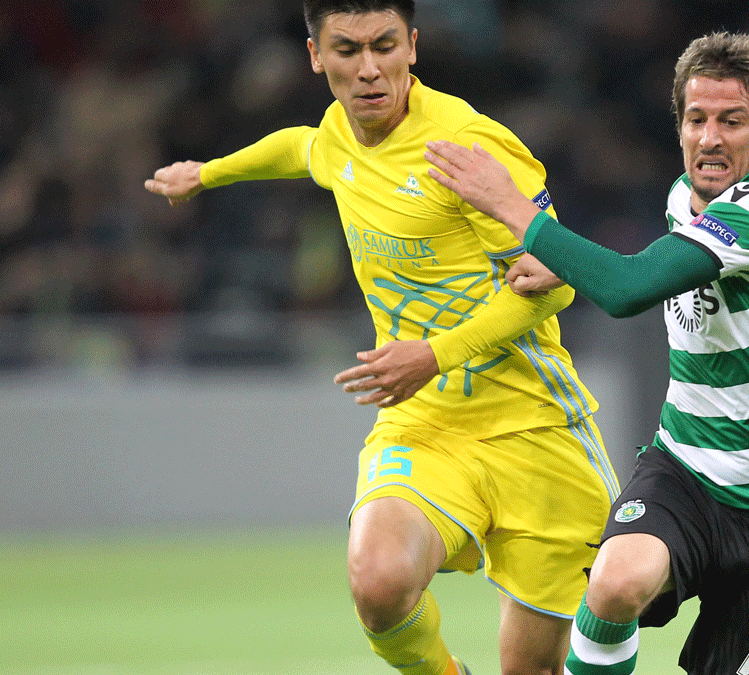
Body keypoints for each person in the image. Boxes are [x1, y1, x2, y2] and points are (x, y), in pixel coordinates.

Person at [143, 2, 620, 675]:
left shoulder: (467, 145)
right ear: (316, 56)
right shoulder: (340, 133)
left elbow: (561, 282)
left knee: (532, 669)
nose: (368, 69)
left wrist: (433, 354)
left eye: (384, 45)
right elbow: (302, 147)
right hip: (423, 425)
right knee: (377, 579)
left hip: (533, 426)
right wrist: (209, 173)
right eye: (346, 49)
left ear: (412, 47)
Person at [425, 29, 749, 675]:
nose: (710, 138)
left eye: (732, 121)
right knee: (615, 581)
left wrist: (508, 204)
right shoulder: (682, 199)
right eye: (697, 119)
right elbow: (648, 267)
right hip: (688, 470)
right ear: (680, 124)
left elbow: (628, 288)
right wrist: (573, 266)